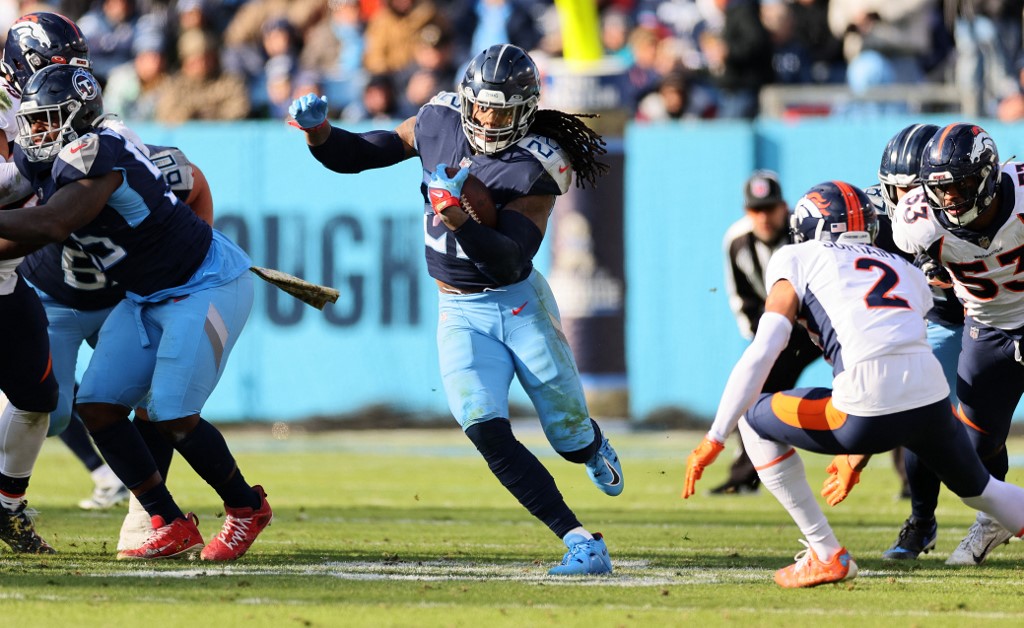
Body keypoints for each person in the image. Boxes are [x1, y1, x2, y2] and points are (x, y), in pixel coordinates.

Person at [288, 43, 623, 575]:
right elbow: (367, 152)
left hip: (518, 308)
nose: (489, 119)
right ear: (466, 99)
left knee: (568, 438)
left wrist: (462, 220)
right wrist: (321, 134)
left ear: (527, 109)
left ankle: (590, 445)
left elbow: (511, 262)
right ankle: (581, 541)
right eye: (483, 106)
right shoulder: (437, 117)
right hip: (458, 311)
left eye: (503, 110)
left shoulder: (537, 164)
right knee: (484, 428)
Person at [683, 180, 1024, 588]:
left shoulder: (796, 256)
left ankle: (825, 552)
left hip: (864, 406)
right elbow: (890, 356)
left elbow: (765, 347)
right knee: (981, 491)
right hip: (930, 398)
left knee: (753, 420)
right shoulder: (904, 269)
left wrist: (715, 436)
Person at [2, 63, 271, 561]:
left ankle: (246, 506)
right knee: (98, 405)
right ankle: (167, 520)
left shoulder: (98, 150)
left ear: (78, 116)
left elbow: (51, 222)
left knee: (170, 411)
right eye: (32, 121)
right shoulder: (50, 158)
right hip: (143, 294)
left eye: (47, 120)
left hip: (202, 284)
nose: (35, 132)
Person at [891, 122, 1024, 565]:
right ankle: (996, 518)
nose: (948, 199)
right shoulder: (917, 220)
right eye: (940, 189)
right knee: (969, 451)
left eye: (960, 185)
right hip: (987, 331)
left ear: (987, 176)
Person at [0, 10, 85, 554]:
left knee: (39, 398)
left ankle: (7, 511)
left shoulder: (54, 110)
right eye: (58, 65)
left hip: (6, 277)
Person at [871, 122, 969, 560]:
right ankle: (921, 521)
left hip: (1006, 317)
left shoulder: (978, 203)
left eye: (915, 189)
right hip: (947, 322)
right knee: (918, 415)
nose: (906, 201)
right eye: (898, 190)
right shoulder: (880, 221)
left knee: (986, 434)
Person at [714, 170, 821, 495]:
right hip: (778, 328)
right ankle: (744, 477)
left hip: (822, 323)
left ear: (783, 207)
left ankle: (910, 480)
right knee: (753, 391)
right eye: (756, 210)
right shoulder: (737, 240)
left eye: (770, 208)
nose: (764, 217)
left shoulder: (804, 233)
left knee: (879, 381)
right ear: (747, 211)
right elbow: (741, 296)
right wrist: (762, 340)